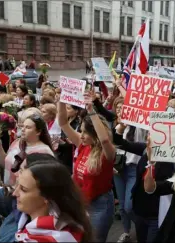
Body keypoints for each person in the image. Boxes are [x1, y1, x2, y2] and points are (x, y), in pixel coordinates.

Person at [58, 91, 115, 242]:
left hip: (100, 205)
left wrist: (91, 111)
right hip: (80, 202)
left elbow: (104, 140)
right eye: (81, 131)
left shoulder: (107, 152)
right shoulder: (82, 145)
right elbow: (63, 123)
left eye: (85, 133)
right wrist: (61, 101)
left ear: (95, 134)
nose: (81, 135)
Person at [13, 161, 93, 242]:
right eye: (17, 186)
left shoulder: (59, 238)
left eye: (23, 189)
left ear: (46, 197)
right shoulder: (26, 224)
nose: (14, 193)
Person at [0, 114, 54, 186]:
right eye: (23, 126)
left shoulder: (44, 151)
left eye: (28, 127)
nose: (23, 129)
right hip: (9, 191)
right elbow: (7, 163)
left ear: (38, 132)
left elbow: (42, 180)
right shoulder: (17, 142)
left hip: (24, 194)